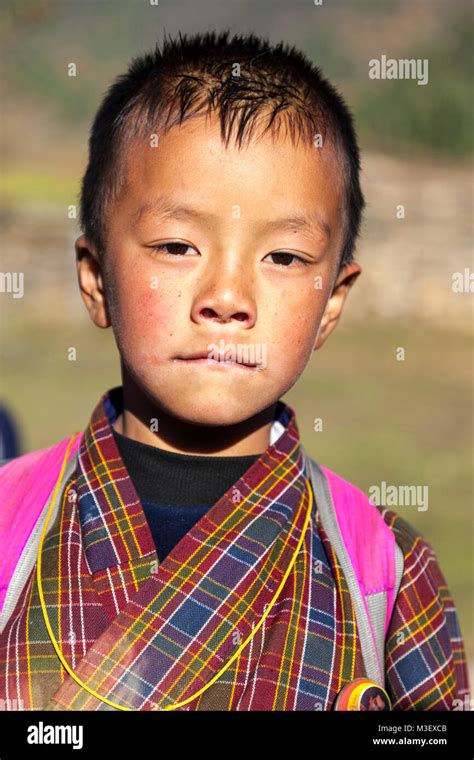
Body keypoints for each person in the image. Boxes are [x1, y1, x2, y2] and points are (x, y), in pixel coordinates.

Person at [0, 31, 469, 712]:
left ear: (333, 302)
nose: (227, 298)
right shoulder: (11, 524)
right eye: (176, 245)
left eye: (283, 258)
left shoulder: (384, 571)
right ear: (97, 277)